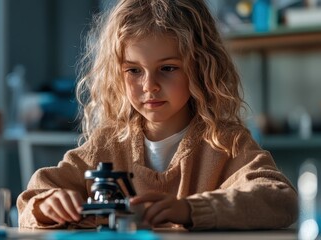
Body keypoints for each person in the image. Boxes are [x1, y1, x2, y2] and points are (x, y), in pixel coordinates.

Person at [17, 0, 298, 230]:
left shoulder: (225, 142)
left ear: (200, 67)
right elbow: (32, 198)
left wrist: (191, 209)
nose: (149, 86)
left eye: (168, 68)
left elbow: (279, 197)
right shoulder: (107, 144)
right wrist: (47, 204)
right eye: (134, 70)